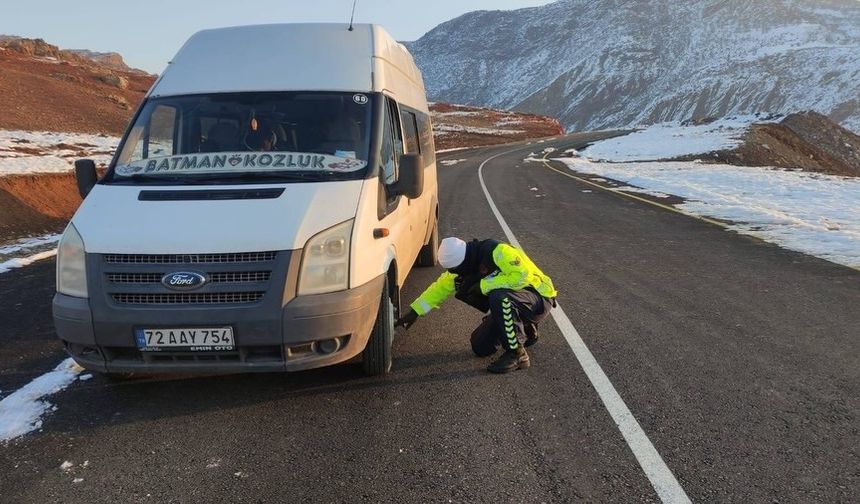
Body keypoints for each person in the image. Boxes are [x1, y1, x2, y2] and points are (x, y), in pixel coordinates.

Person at [396, 237, 558, 374]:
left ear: (464, 261)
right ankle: (525, 326)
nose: (454, 273)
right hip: (517, 302)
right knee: (480, 347)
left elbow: (522, 277)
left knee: (498, 296)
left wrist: (483, 285)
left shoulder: (497, 251)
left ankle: (517, 354)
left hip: (539, 298)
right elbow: (440, 288)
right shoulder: (464, 267)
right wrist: (415, 311)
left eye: (455, 269)